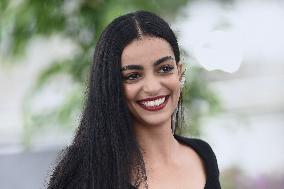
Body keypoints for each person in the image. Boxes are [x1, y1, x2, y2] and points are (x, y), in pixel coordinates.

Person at [47, 10, 221, 189]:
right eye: (133, 76)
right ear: (111, 86)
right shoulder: (85, 178)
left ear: (180, 72)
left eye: (164, 68)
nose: (152, 87)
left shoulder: (203, 156)